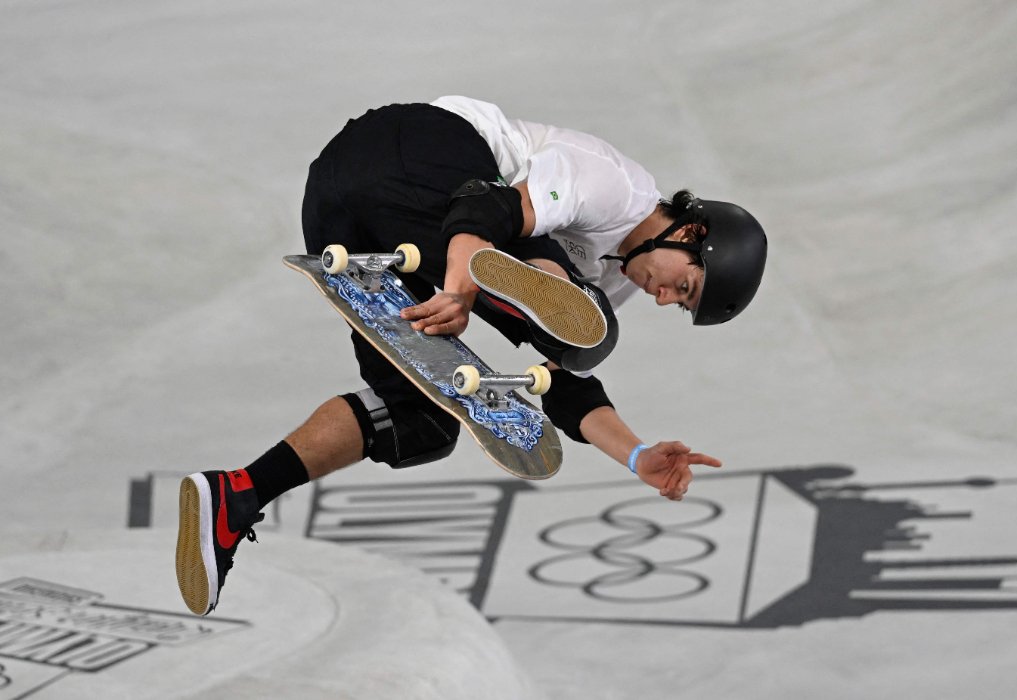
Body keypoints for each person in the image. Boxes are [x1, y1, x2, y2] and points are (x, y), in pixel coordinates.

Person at [175, 96, 768, 616]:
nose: (663, 298)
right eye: (682, 286)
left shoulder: (606, 289)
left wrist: (636, 455)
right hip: (408, 150)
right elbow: (486, 212)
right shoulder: (617, 188)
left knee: (421, 420)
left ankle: (237, 495)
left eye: (678, 304)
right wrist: (459, 293)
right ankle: (519, 278)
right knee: (585, 327)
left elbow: (564, 385)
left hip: (346, 216)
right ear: (690, 234)